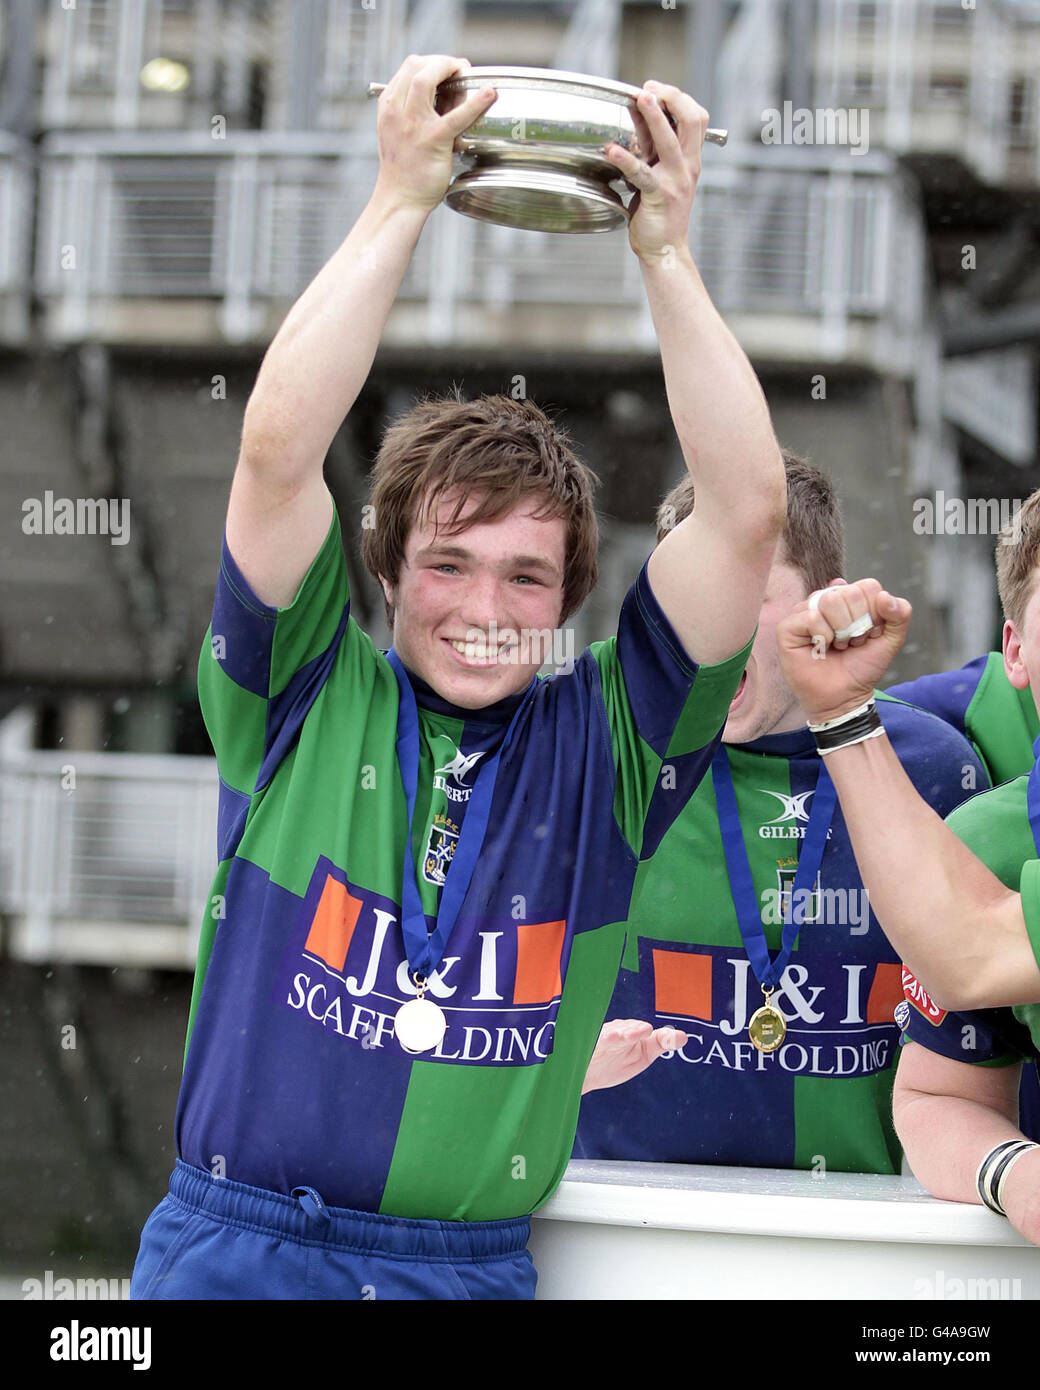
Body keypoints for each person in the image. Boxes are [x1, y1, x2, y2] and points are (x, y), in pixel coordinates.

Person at [128, 53, 785, 1300]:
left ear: (571, 598)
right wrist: (398, 200)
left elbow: (746, 511)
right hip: (234, 1253)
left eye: (527, 577)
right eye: (448, 563)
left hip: (456, 1276)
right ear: (383, 571)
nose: (484, 610)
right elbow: (276, 454)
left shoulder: (610, 740)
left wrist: (664, 253)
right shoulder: (310, 691)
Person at [575, 456, 985, 1174]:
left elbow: (984, 1047)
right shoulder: (600, 752)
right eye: (681, 596)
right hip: (630, 1234)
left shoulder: (931, 770)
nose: (706, 626)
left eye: (744, 591)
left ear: (828, 606)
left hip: (863, 1244)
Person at [771, 494, 1040, 1240]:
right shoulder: (987, 843)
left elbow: (968, 948)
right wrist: (1016, 1174)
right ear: (1015, 652)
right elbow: (936, 1097)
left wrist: (843, 712)